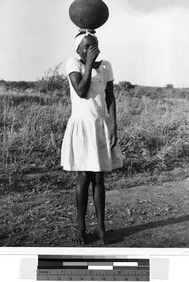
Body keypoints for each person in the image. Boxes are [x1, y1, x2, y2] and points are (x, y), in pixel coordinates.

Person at [61, 30, 123, 245]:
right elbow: (80, 90)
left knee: (99, 178)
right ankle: (81, 228)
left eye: (95, 45)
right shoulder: (73, 63)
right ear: (79, 49)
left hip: (100, 124)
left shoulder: (106, 65)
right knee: (84, 177)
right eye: (87, 46)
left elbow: (110, 96)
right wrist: (88, 63)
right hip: (82, 125)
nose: (93, 49)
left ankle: (101, 228)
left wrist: (114, 125)